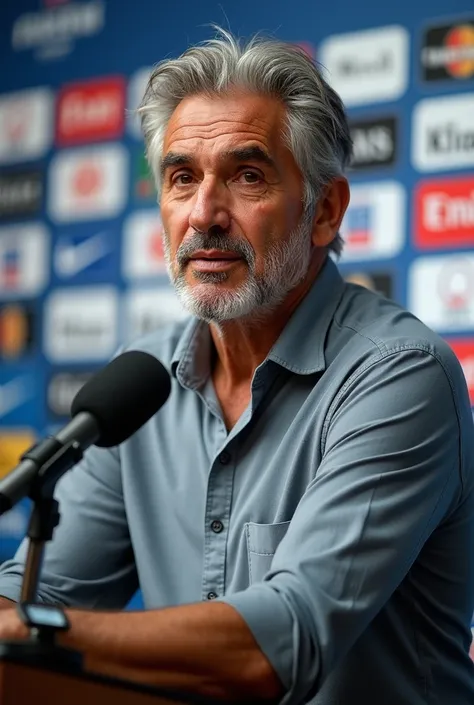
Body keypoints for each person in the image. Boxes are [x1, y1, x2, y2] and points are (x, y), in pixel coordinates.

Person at [0, 27, 473, 705]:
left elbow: (278, 644)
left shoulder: (399, 375)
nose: (204, 214)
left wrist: (34, 630)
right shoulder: (142, 380)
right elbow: (40, 592)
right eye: (182, 176)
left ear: (325, 210)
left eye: (247, 175)